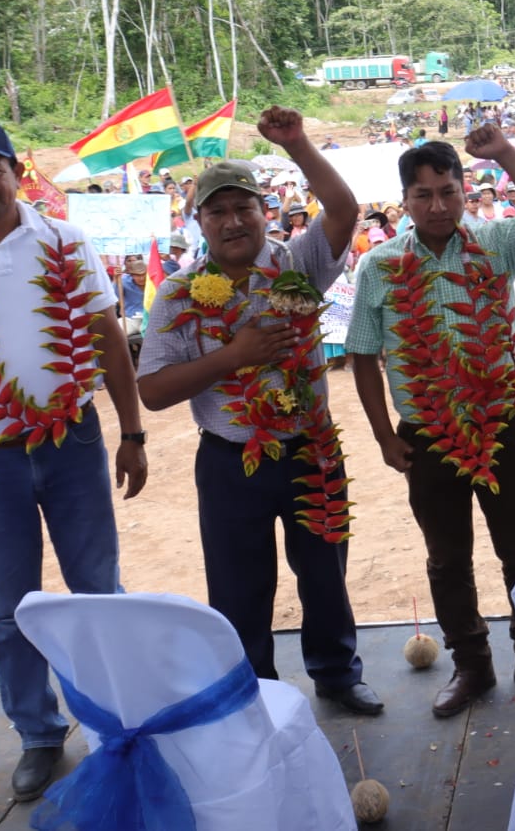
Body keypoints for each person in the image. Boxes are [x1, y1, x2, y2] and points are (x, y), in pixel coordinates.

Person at [0, 118, 148, 799]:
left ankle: (120, 720)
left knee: (99, 590)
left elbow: (108, 335)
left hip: (72, 443)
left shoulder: (65, 240)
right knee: (10, 608)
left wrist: (133, 432)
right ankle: (39, 734)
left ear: (17, 174)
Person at [137, 107, 383, 717]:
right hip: (230, 461)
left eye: (243, 207)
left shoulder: (296, 264)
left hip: (310, 449)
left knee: (324, 573)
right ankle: (253, 693)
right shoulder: (177, 294)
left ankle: (337, 674)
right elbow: (154, 391)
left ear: (263, 210)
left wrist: (297, 144)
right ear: (198, 222)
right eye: (216, 211)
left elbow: (343, 210)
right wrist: (233, 356)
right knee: (239, 586)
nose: (232, 221)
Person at [347, 134, 515, 716]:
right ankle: (471, 665)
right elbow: (363, 355)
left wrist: (506, 156)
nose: (438, 206)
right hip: (426, 436)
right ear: (403, 201)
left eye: (448, 192)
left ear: (465, 192)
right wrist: (383, 436)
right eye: (423, 195)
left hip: (501, 426)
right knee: (446, 560)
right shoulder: (379, 264)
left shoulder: (495, 242)